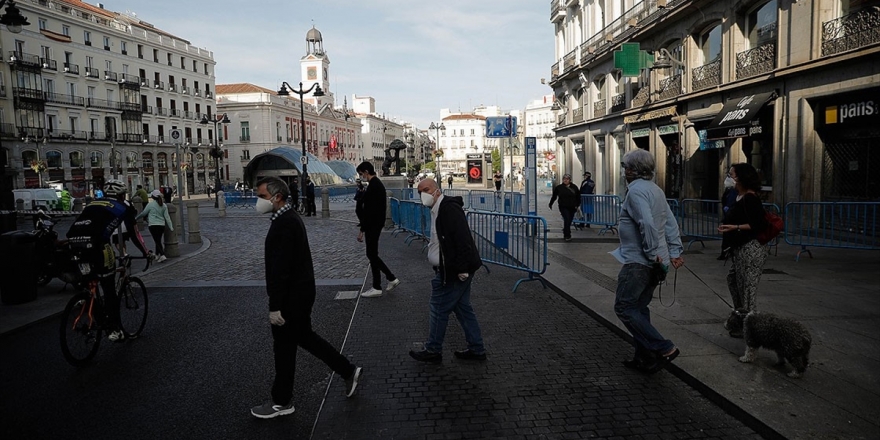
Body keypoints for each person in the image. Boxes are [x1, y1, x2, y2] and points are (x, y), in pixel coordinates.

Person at [250, 176, 362, 419]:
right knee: (301, 340)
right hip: (299, 294)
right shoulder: (288, 218)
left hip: (292, 298)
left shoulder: (285, 224)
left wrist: (275, 306)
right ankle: (346, 370)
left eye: (261, 196)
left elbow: (280, 269)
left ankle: (282, 401)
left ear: (277, 197)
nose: (257, 201)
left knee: (285, 346)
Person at [612, 149, 684, 374]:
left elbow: (648, 224)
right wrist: (674, 252)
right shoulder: (656, 190)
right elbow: (670, 223)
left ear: (633, 170)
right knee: (639, 309)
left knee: (624, 307)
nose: (624, 171)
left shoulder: (636, 192)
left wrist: (653, 255)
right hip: (655, 261)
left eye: (625, 167)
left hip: (639, 262)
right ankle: (644, 358)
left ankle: (664, 348)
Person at [409, 178, 486, 364]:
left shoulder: (448, 209)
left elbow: (462, 239)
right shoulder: (436, 210)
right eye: (420, 192)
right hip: (451, 268)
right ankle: (477, 348)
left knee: (438, 307)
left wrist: (461, 269)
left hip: (452, 271)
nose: (423, 195)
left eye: (426, 189)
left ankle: (433, 349)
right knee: (462, 308)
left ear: (436, 190)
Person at [66, 179, 152, 343]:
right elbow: (135, 235)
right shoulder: (123, 207)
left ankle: (93, 308)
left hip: (75, 243)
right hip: (98, 246)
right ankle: (114, 328)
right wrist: (146, 252)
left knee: (90, 283)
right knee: (109, 287)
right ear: (122, 195)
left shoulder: (92, 204)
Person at [718, 163, 768, 338]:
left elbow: (757, 224)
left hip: (751, 249)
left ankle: (752, 330)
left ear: (741, 178)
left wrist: (735, 227)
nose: (729, 178)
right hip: (738, 249)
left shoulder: (751, 198)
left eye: (732, 175)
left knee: (747, 289)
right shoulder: (736, 195)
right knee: (733, 280)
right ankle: (741, 319)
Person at [355, 161, 400, 298]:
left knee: (372, 254)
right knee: (372, 254)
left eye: (361, 174)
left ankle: (390, 278)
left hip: (373, 224)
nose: (360, 176)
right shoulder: (376, 185)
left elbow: (369, 209)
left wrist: (363, 228)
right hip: (374, 224)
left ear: (366, 172)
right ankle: (377, 285)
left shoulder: (374, 186)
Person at [136, 189, 173, 263]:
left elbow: (144, 213)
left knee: (157, 241)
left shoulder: (150, 204)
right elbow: (167, 217)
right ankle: (157, 255)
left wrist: (136, 218)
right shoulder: (164, 205)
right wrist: (171, 227)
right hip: (161, 225)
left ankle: (162, 255)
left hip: (153, 225)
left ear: (152, 196)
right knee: (158, 240)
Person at [549, 174, 581, 241]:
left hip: (572, 207)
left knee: (569, 220)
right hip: (563, 206)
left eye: (567, 179)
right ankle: (567, 235)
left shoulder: (574, 187)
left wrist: (577, 205)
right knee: (566, 219)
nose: (565, 180)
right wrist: (551, 203)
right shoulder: (559, 188)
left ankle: (566, 230)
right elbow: (554, 196)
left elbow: (578, 196)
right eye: (564, 179)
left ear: (570, 180)